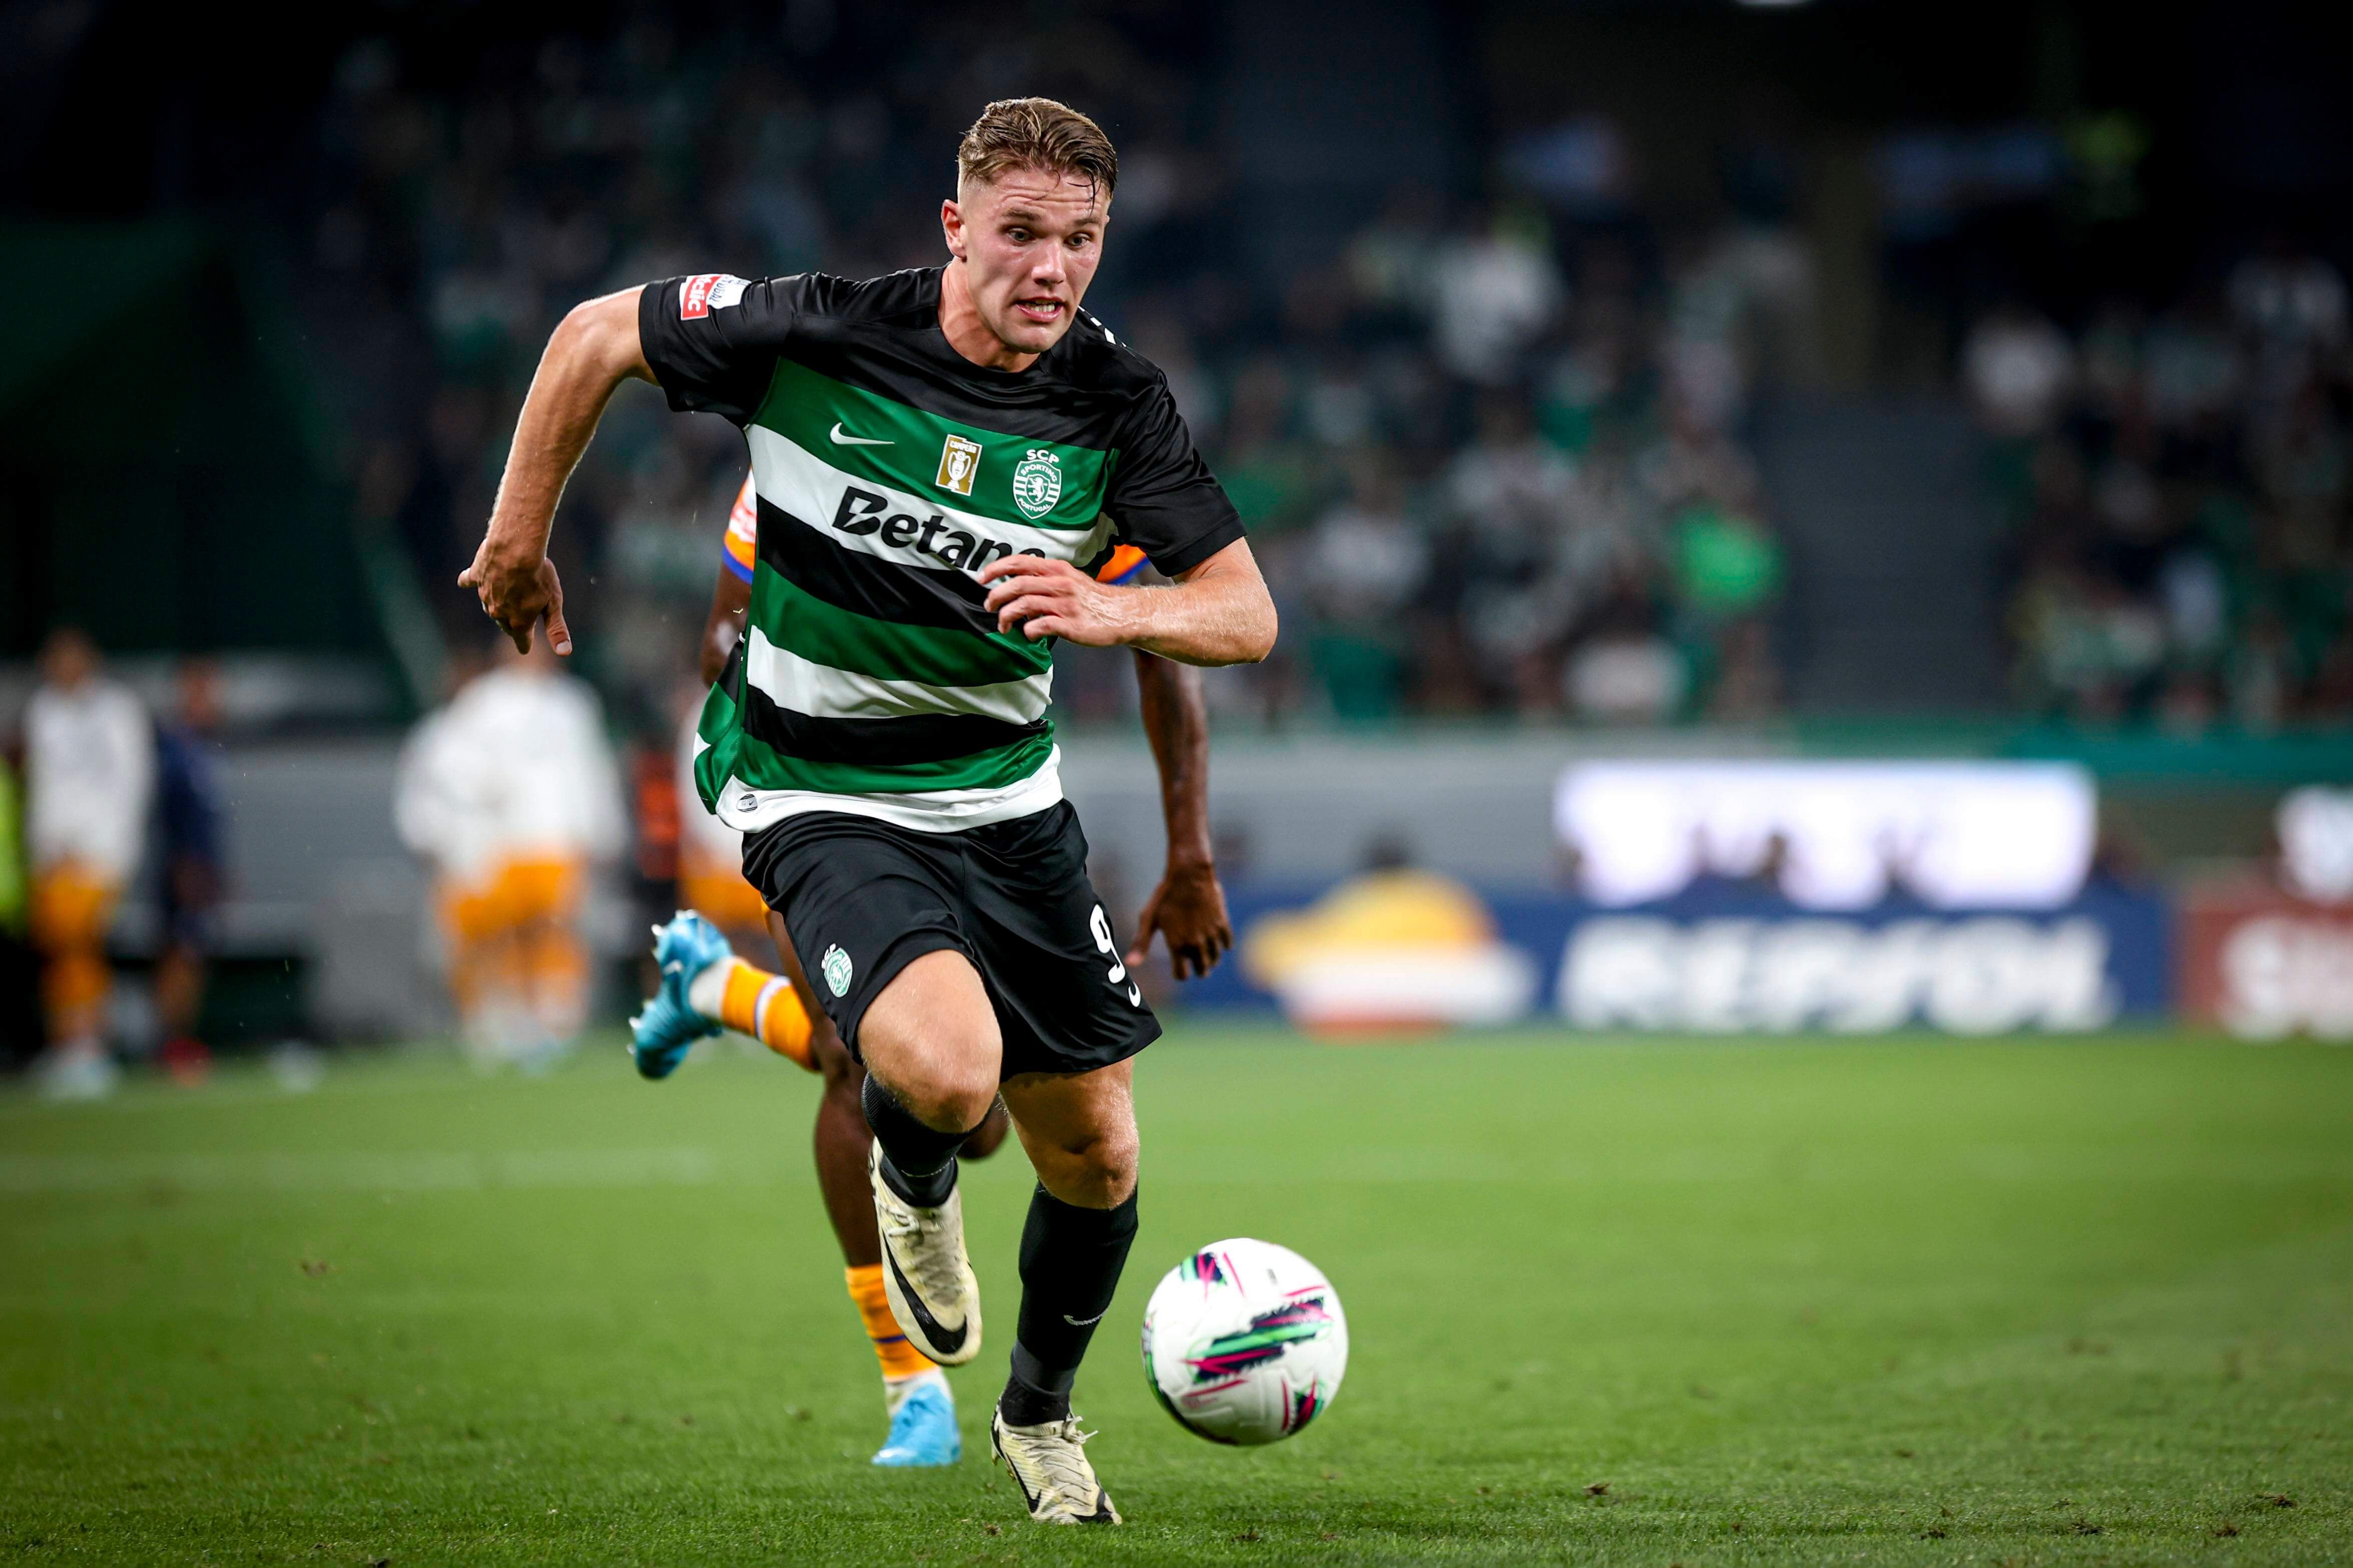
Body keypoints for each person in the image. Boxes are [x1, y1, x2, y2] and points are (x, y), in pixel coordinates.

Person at [460, 97, 1276, 1523]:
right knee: (948, 1076)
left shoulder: (1114, 401)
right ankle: (910, 1181)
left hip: (1009, 798)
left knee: (1096, 1146)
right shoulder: (820, 332)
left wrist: (1105, 601)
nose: (1053, 267)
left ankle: (1038, 1415)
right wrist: (518, 534)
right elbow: (594, 334)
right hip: (819, 782)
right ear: (956, 228)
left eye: (1080, 240)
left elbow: (1244, 615)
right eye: (1022, 233)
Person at [626, 468, 1235, 1467]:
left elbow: (1163, 648)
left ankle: (717, 992)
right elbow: (719, 632)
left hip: (982, 810)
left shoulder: (1060, 451)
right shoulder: (816, 436)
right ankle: (911, 1385)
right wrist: (821, 681)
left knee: (980, 1115)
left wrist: (1191, 850)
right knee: (855, 1066)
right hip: (816, 791)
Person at [395, 637, 625, 1071]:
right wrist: (485, 800)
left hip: (560, 837)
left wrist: (603, 828)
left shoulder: (574, 703)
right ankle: (507, 1020)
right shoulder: (484, 702)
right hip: (508, 837)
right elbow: (454, 764)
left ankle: (558, 1017)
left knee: (557, 927)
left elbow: (593, 770)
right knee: (505, 933)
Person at [24, 629, 155, 1100]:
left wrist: (116, 849)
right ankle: (70, 1047)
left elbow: (131, 781)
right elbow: (45, 788)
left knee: (80, 943)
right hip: (54, 857)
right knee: (60, 951)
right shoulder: (43, 711)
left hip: (99, 853)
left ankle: (89, 1048)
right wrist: (43, 848)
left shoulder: (118, 709)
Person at [153, 659, 228, 1083]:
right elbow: (173, 814)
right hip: (183, 870)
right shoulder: (176, 747)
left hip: (201, 868)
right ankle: (171, 1042)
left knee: (192, 956)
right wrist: (186, 867)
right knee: (180, 956)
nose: (213, 703)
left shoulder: (204, 747)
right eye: (203, 693)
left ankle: (179, 1040)